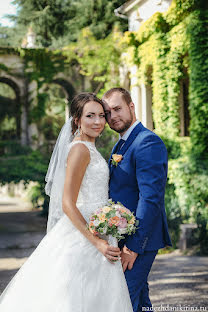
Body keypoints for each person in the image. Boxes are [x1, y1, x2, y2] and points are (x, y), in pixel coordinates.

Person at [0, 93, 133, 312]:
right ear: (77, 120)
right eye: (90, 116)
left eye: (101, 115)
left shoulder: (88, 147)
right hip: (86, 237)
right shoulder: (80, 149)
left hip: (100, 229)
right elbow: (67, 203)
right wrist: (98, 242)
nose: (98, 121)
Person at [102, 87, 172, 312]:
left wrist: (133, 247)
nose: (113, 116)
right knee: (140, 303)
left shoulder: (147, 142)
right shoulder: (121, 143)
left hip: (140, 239)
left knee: (122, 302)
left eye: (117, 109)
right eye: (108, 112)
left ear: (131, 106)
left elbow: (150, 199)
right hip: (122, 238)